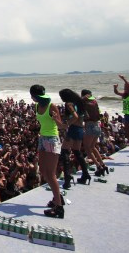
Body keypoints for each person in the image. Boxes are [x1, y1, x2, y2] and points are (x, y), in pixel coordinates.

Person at [29, 84, 64, 219]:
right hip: (42, 138)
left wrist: (56, 119)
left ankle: (59, 207)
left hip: (52, 140)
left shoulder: (52, 106)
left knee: (51, 173)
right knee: (43, 171)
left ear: (35, 96)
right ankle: (57, 196)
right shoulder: (37, 106)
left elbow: (60, 126)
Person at [58, 88, 91, 187]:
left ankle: (67, 178)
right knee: (77, 152)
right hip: (80, 129)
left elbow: (75, 116)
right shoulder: (79, 103)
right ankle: (85, 174)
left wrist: (66, 124)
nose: (61, 98)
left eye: (61, 96)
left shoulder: (69, 104)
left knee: (64, 152)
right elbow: (86, 116)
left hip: (73, 129)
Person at [80, 90, 108, 177]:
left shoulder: (84, 101)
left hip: (90, 125)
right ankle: (103, 164)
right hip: (97, 125)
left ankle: (98, 166)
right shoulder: (94, 102)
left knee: (88, 148)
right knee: (92, 147)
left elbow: (78, 101)